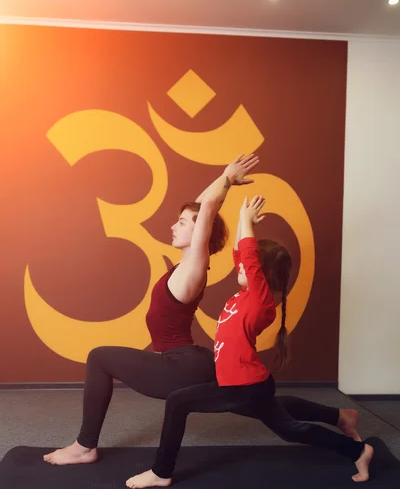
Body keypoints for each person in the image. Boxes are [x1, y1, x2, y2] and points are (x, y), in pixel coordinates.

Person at [44, 155, 360, 467]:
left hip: (180, 366)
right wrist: (217, 189)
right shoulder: (186, 266)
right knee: (259, 405)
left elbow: (206, 209)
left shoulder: (195, 267)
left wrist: (226, 177)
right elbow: (202, 206)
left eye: (181, 222)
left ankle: (85, 446)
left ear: (198, 234)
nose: (173, 225)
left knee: (100, 357)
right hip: (193, 362)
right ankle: (340, 416)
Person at [126, 195, 374, 489]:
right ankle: (351, 435)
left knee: (182, 403)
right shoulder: (241, 296)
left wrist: (245, 220)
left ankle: (161, 471)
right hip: (241, 382)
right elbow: (240, 255)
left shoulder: (260, 303)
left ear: (263, 275)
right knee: (288, 425)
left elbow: (248, 257)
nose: (241, 266)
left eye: (249, 265)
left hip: (244, 386)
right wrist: (244, 225)